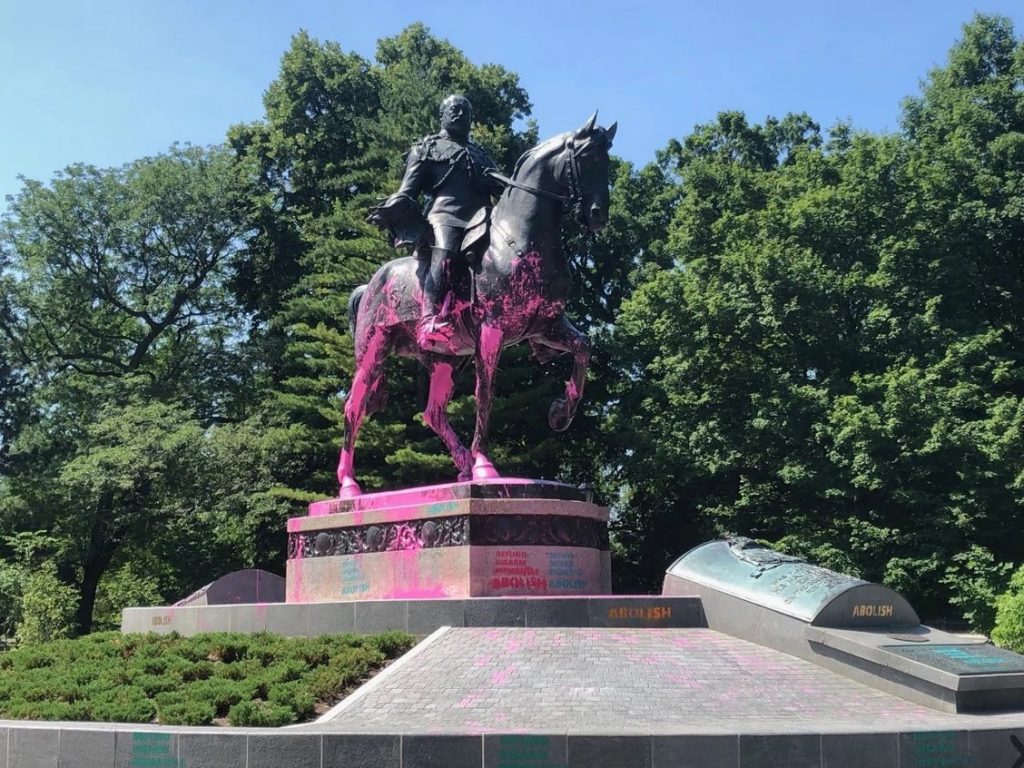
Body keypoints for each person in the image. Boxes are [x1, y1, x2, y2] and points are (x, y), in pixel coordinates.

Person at [369, 95, 502, 351]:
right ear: (442, 115)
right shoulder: (427, 148)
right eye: (454, 109)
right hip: (445, 215)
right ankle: (431, 319)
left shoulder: (480, 155)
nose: (460, 114)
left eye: (466, 110)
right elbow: (409, 189)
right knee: (445, 248)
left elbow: (502, 188)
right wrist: (395, 207)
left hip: (483, 218)